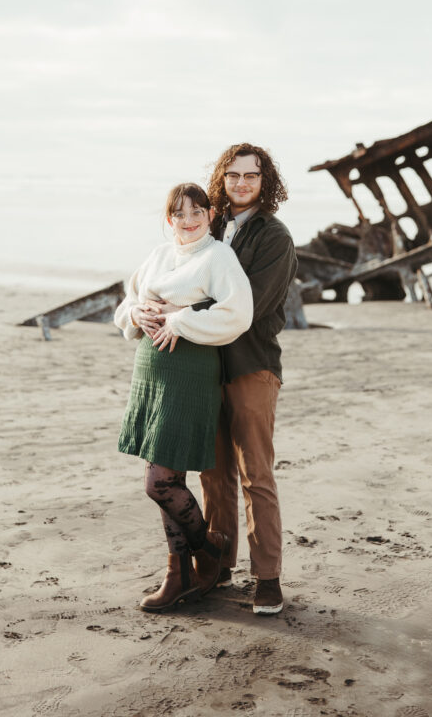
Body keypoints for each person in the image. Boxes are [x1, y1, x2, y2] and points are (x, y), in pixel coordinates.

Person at [147, 144, 297, 615]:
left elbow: (249, 307)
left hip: (252, 365)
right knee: (214, 475)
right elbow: (179, 279)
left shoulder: (274, 236)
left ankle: (267, 577)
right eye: (232, 175)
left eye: (251, 176)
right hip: (205, 367)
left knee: (257, 474)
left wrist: (180, 312)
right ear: (221, 180)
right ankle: (219, 565)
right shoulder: (208, 230)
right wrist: (150, 309)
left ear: (264, 181)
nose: (241, 183)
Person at [114, 182, 253, 613]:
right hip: (150, 372)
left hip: (188, 372)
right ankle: (179, 573)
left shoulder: (218, 257)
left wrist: (181, 320)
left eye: (197, 213)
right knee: (167, 479)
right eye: (179, 214)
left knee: (160, 482)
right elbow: (128, 304)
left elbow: (238, 314)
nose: (188, 221)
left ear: (211, 215)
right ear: (168, 219)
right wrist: (136, 312)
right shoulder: (158, 256)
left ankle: (207, 549)